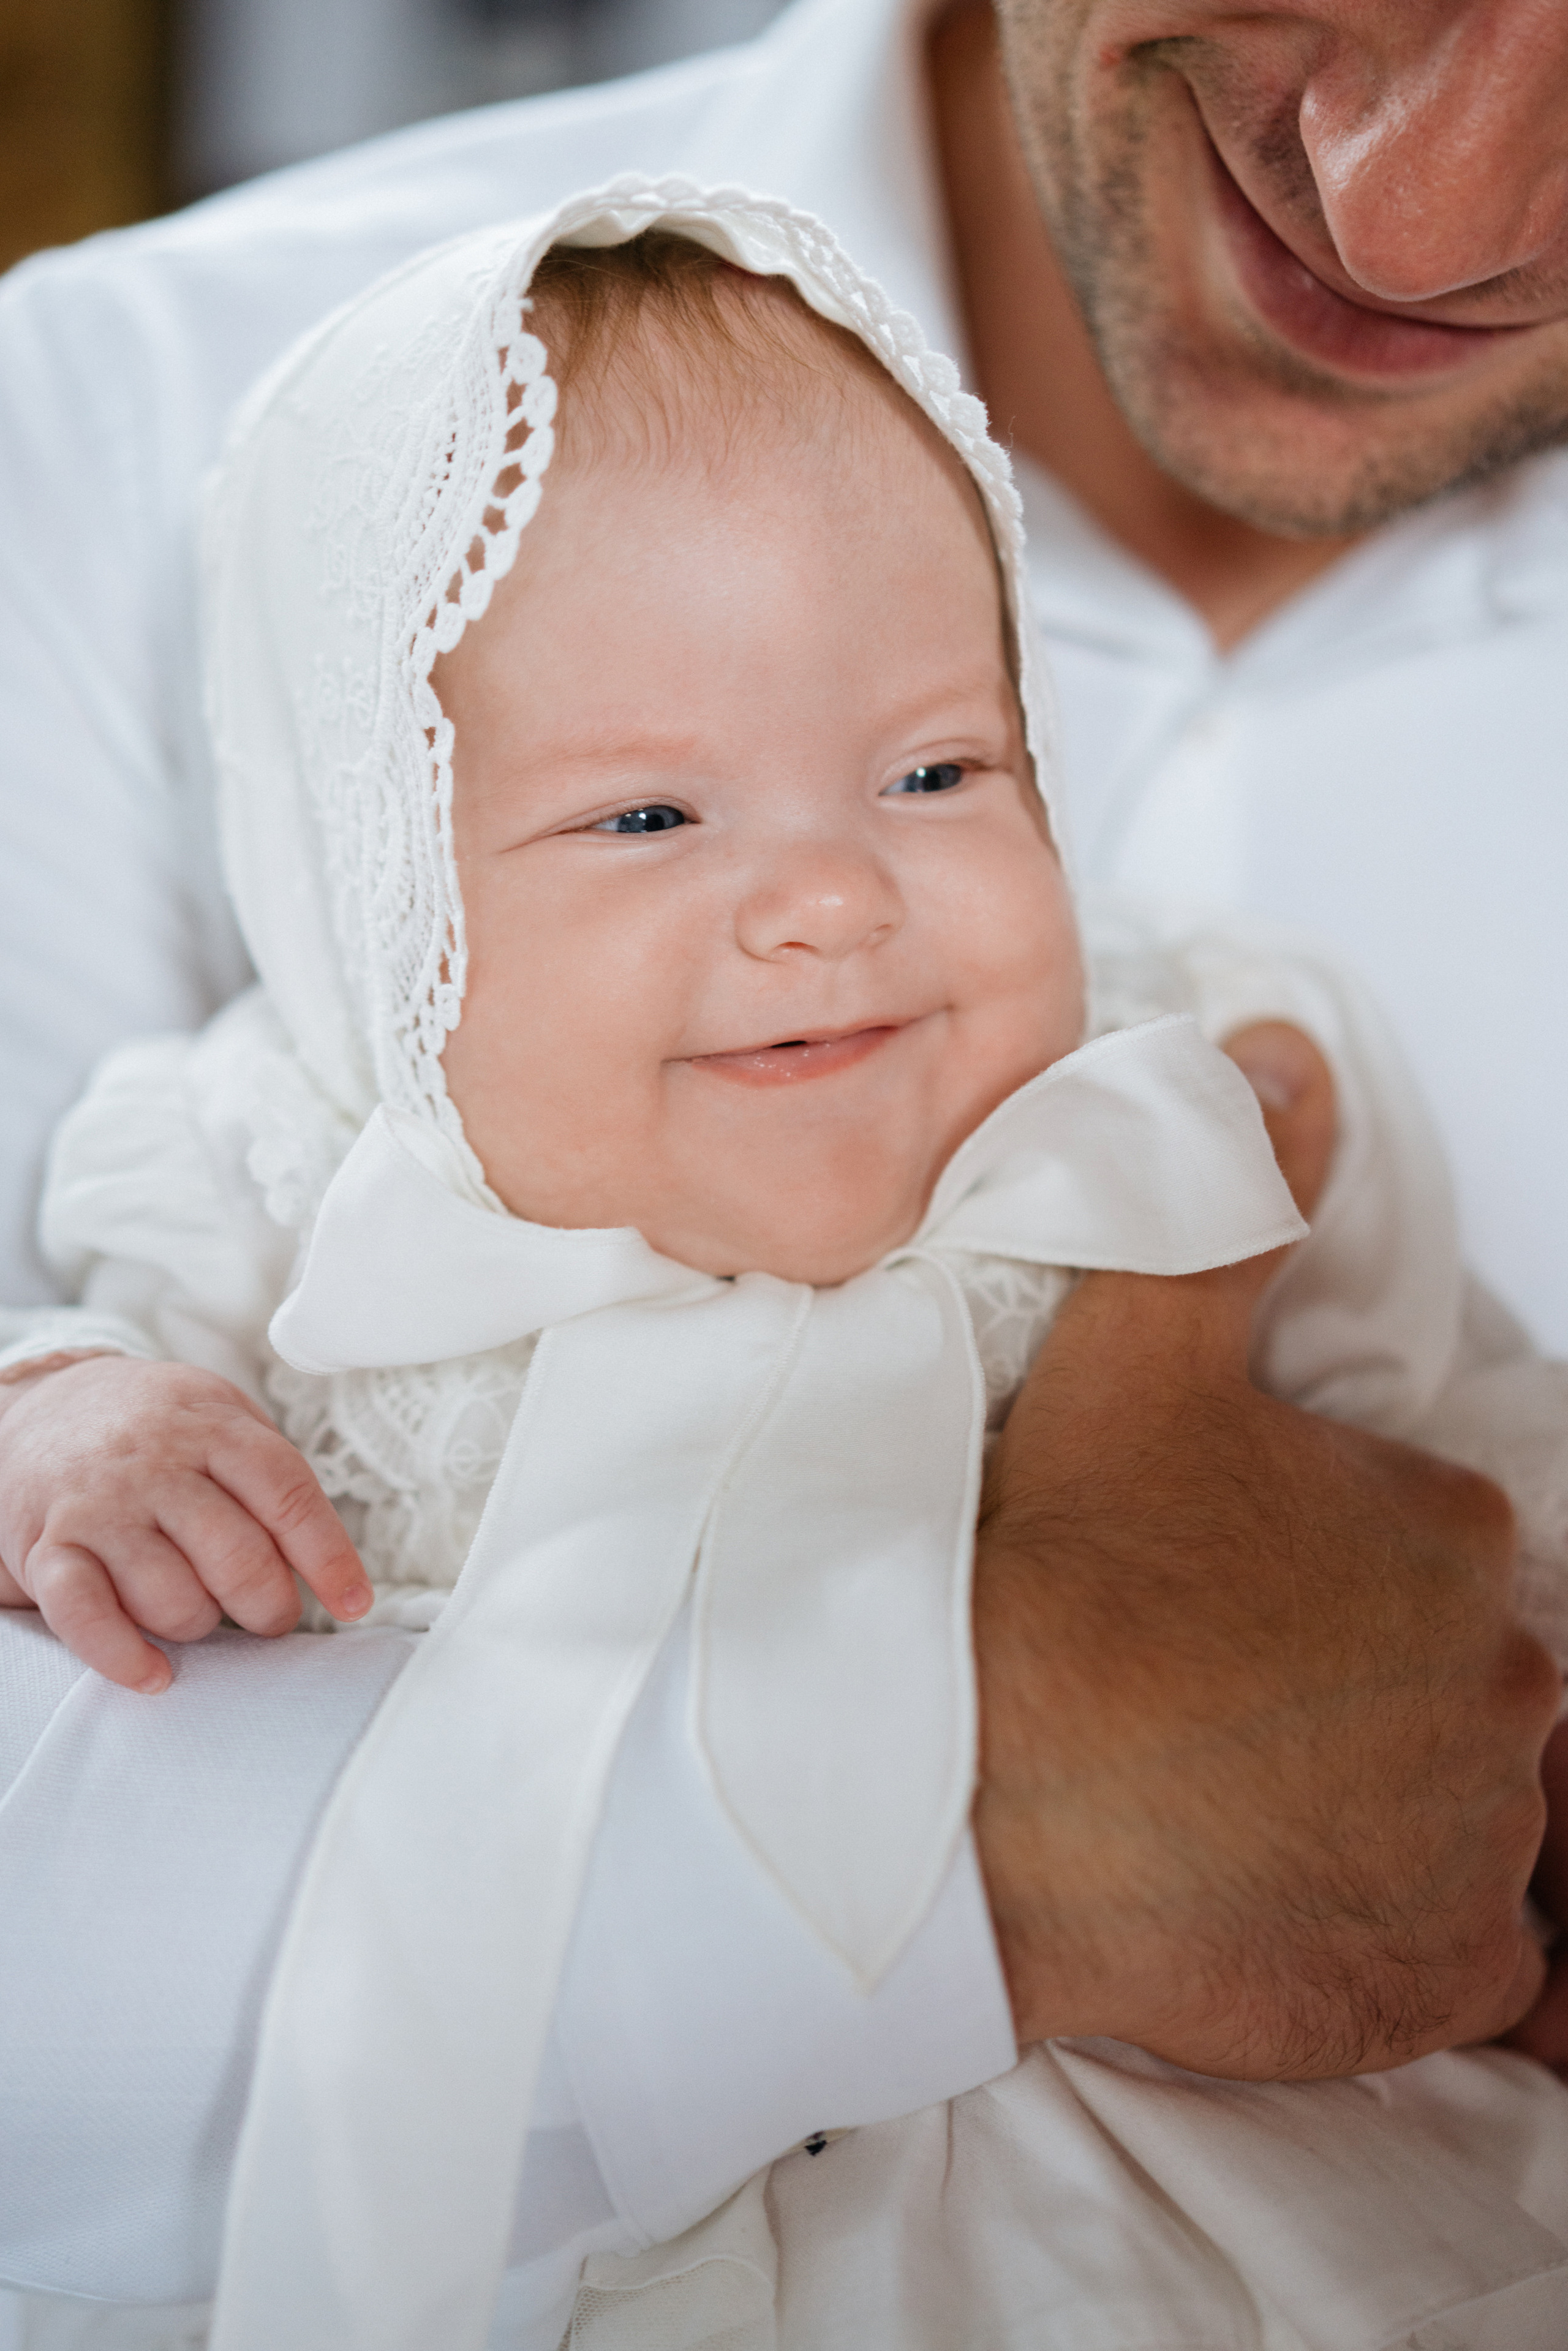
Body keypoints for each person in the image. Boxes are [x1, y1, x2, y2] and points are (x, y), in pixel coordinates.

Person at [1, 0, 1564, 2320]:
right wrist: (64, 1419)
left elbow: (1484, 1531)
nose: (831, 898)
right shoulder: (260, 1103)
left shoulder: (1181, 1093)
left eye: (948, 776)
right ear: (365, 882)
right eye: (641, 817)